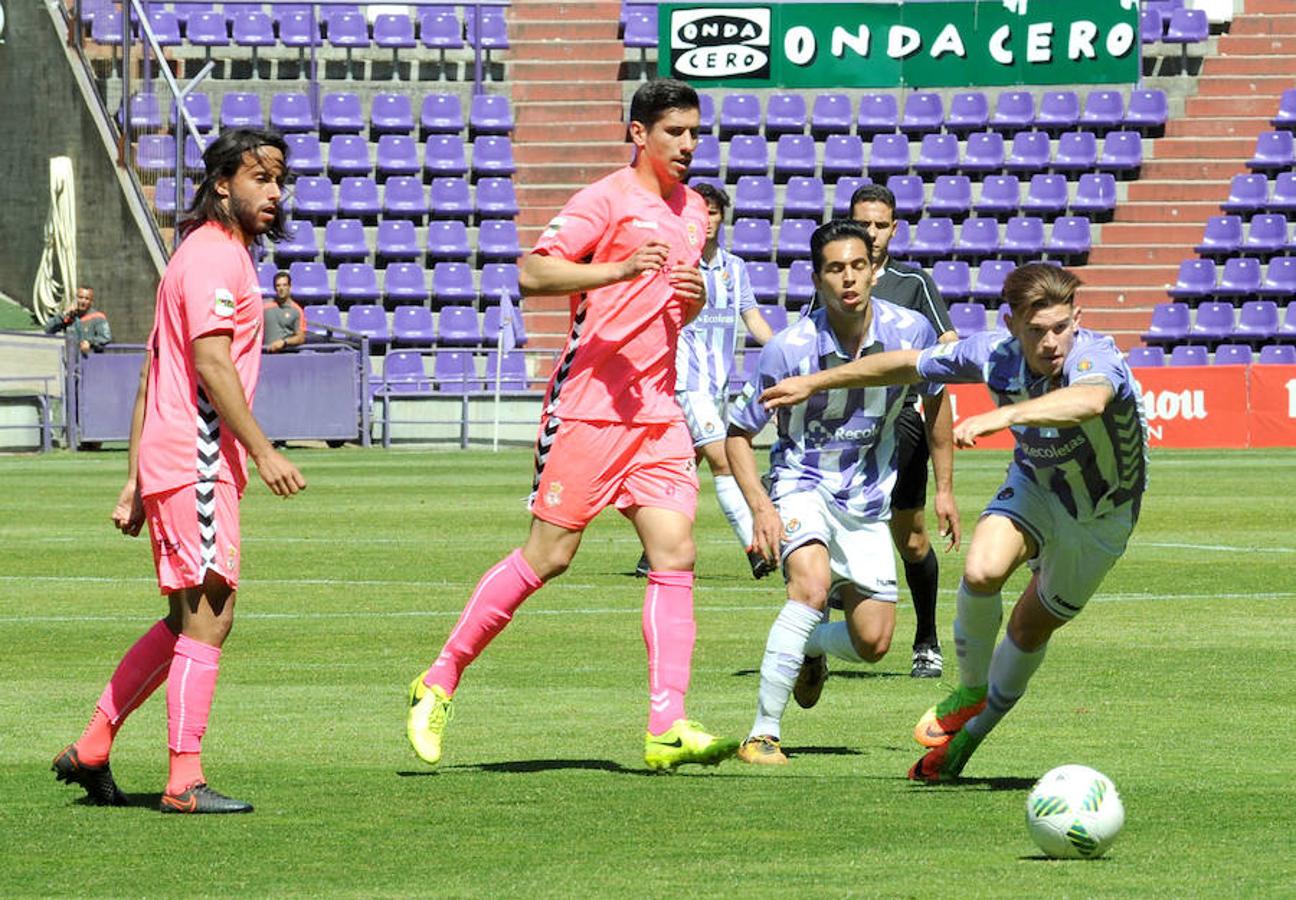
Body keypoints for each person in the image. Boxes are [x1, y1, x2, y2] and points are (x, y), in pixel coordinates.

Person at [406, 79, 740, 772]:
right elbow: (531, 272)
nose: (687, 145)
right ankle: (438, 679)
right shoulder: (605, 199)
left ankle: (666, 724)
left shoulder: (695, 214)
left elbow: (671, 309)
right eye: (674, 132)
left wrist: (698, 294)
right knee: (549, 557)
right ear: (639, 134)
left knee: (675, 556)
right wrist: (617, 267)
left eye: (694, 132)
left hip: (656, 411)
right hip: (588, 406)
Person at [760, 262, 1149, 781]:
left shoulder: (1095, 355)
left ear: (1076, 319)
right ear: (1012, 326)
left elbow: (1090, 400)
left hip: (1101, 516)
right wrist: (817, 380)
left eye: (1061, 327)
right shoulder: (995, 354)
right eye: (1037, 331)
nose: (1053, 342)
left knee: (1027, 630)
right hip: (1036, 485)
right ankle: (970, 689)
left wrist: (1006, 415)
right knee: (981, 572)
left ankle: (970, 737)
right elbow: (904, 365)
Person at [51, 128, 306, 814]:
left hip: (176, 459)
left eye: (280, 181)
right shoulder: (214, 259)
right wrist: (264, 448)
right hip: (196, 457)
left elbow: (149, 375)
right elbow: (210, 364)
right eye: (261, 179)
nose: (275, 194)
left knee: (184, 619)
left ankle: (96, 744)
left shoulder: (202, 256)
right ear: (223, 182)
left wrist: (135, 480)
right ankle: (183, 782)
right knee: (210, 615)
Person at [725, 220, 959, 765]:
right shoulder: (788, 349)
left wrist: (944, 488)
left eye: (858, 266)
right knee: (809, 588)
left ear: (874, 270)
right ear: (817, 278)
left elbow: (936, 400)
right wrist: (761, 508)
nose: (849, 279)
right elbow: (738, 434)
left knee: (874, 643)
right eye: (835, 269)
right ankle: (762, 732)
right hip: (800, 484)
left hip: (867, 501)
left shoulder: (912, 331)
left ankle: (807, 646)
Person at [634, 181, 775, 580]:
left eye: (714, 212)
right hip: (683, 382)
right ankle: (755, 547)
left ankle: (653, 550)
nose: (707, 220)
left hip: (717, 386)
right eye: (701, 212)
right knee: (724, 459)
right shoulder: (675, 266)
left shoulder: (735, 268)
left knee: (679, 468)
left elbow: (753, 320)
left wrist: (786, 350)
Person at [849, 184, 958, 678]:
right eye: (863, 223)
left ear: (894, 229)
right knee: (829, 534)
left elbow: (948, 349)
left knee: (911, 540)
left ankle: (927, 640)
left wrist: (948, 489)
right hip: (846, 434)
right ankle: (821, 642)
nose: (871, 233)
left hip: (903, 428)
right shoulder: (835, 282)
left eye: (879, 224)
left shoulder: (913, 284)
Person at [44, 285, 112, 354]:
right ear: (75, 299)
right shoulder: (70, 317)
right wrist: (64, 314)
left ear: (91, 301)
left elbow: (105, 337)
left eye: (87, 299)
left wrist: (90, 342)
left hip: (91, 359)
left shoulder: (98, 317)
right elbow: (48, 330)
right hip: (71, 360)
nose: (83, 301)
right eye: (80, 297)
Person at [263, 270, 306, 352]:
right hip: (266, 354)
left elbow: (301, 338)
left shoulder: (297, 310)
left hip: (285, 355)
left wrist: (284, 342)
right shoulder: (264, 307)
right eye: (278, 285)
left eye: (284, 285)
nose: (281, 288)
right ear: (274, 288)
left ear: (290, 286)